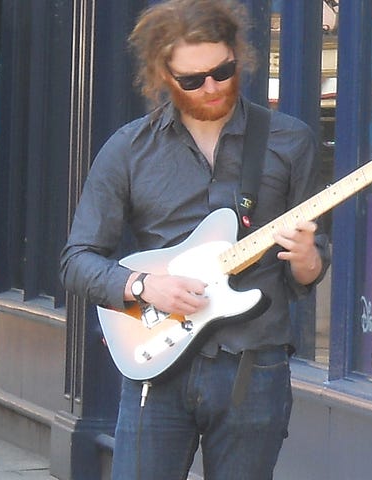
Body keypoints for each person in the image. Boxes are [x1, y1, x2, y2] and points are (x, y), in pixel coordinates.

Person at [58, 1, 327, 477]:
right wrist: (143, 286)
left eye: (223, 71)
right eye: (192, 79)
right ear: (163, 75)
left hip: (254, 364)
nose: (212, 87)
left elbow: (306, 272)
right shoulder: (129, 148)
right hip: (156, 370)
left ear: (237, 57)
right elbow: (77, 261)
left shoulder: (291, 141)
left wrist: (307, 259)